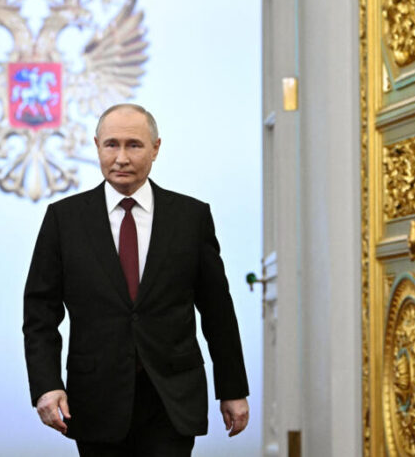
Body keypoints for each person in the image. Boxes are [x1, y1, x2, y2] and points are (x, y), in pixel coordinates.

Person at [23, 103, 249, 456]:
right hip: (96, 398)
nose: (122, 157)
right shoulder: (64, 220)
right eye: (111, 144)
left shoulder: (191, 218)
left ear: (156, 148)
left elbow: (217, 310)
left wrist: (233, 388)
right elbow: (40, 313)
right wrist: (47, 385)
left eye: (134, 145)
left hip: (171, 397)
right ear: (96, 145)